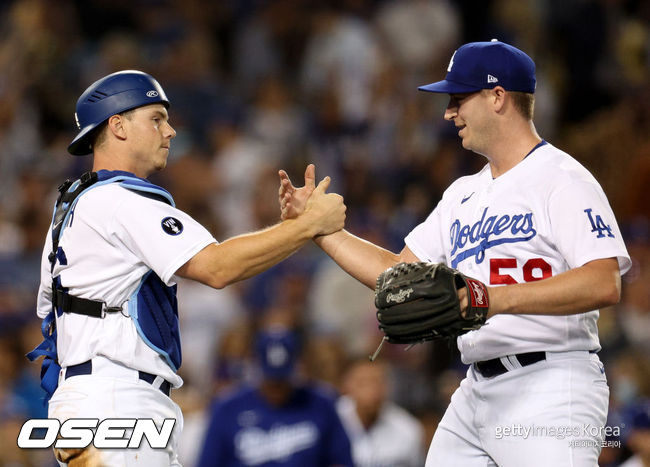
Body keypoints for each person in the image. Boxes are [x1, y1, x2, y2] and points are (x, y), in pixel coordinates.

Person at [279, 40, 631, 466]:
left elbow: (603, 280)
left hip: (551, 383)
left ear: (497, 97)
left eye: (458, 98)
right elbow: (395, 271)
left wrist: (494, 298)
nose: (449, 112)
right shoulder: (463, 193)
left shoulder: (562, 179)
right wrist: (317, 230)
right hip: (476, 388)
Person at [30, 70, 345, 466]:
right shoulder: (121, 201)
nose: (171, 131)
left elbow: (47, 319)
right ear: (118, 125)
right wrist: (309, 226)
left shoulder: (72, 208)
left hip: (94, 398)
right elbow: (217, 267)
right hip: (116, 401)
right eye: (156, 118)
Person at [196, 325, 354, 467]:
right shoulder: (228, 408)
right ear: (256, 368)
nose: (277, 388)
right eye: (271, 381)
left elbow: (342, 461)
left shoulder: (321, 403)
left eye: (282, 381)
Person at [336, 357, 425, 467]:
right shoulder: (331, 417)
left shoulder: (408, 428)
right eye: (362, 383)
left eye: (377, 382)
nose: (371, 390)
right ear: (346, 385)